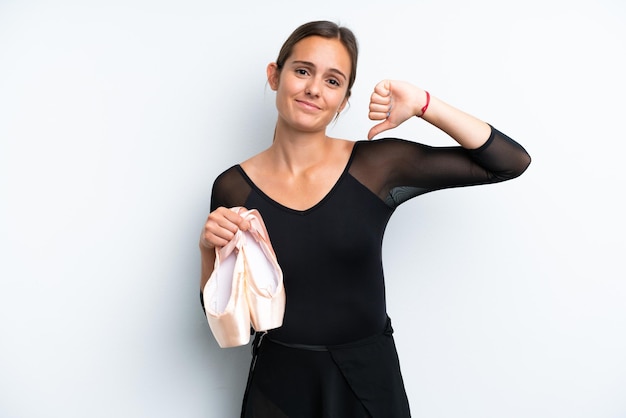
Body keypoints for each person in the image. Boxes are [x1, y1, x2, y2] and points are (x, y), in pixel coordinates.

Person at [199, 20, 531, 418]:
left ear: (344, 100)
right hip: (278, 386)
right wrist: (207, 250)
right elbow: (228, 317)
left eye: (333, 81)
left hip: (367, 383)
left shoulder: (377, 166)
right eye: (302, 71)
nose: (314, 89)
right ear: (275, 75)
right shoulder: (234, 187)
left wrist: (424, 104)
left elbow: (509, 163)